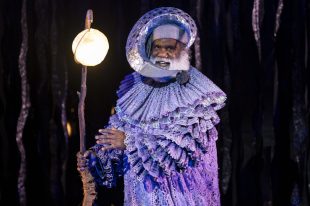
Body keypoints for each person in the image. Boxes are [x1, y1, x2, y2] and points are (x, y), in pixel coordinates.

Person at [77, 7, 226, 206]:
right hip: (140, 198)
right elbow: (114, 141)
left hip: (183, 197)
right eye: (157, 47)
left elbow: (178, 152)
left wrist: (129, 143)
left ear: (181, 51)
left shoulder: (196, 94)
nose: (162, 53)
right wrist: (94, 159)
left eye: (170, 48)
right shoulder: (135, 90)